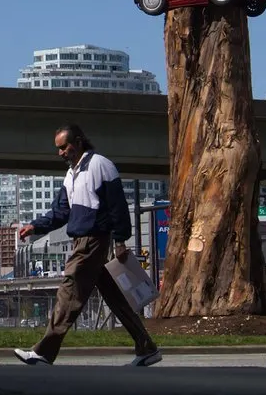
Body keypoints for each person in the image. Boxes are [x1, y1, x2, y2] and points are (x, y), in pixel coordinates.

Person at [14, 123, 161, 367]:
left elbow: (118, 206)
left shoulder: (100, 165)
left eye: (64, 147)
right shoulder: (71, 174)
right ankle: (147, 348)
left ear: (78, 142)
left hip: (92, 241)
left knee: (69, 289)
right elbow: (61, 212)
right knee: (116, 298)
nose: (61, 153)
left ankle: (44, 351)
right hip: (82, 240)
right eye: (58, 149)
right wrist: (35, 226)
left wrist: (121, 240)